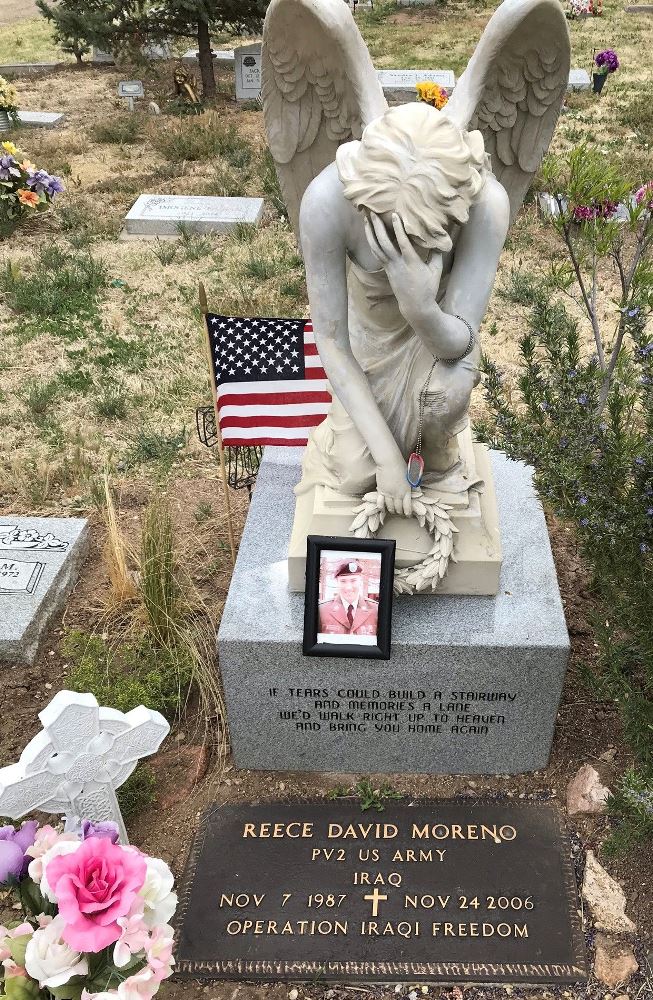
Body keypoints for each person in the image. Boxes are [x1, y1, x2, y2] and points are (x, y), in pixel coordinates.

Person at [296, 102, 510, 512]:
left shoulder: (486, 205)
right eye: (383, 231)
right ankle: (368, 442)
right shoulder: (326, 201)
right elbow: (330, 340)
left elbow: (462, 343)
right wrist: (386, 458)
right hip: (365, 348)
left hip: (438, 345)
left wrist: (421, 309)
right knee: (358, 475)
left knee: (442, 402)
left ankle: (436, 447)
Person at [318, 560, 379, 638]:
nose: (348, 587)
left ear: (361, 581)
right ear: (337, 582)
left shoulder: (376, 610)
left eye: (353, 581)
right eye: (343, 581)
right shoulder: (322, 610)